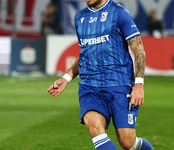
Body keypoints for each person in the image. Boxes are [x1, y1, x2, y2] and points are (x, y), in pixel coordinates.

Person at [48, 0, 155, 149]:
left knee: (128, 143)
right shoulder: (80, 17)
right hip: (90, 86)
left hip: (119, 84)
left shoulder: (119, 13)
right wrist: (66, 77)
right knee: (94, 127)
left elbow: (139, 51)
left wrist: (139, 85)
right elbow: (86, 52)